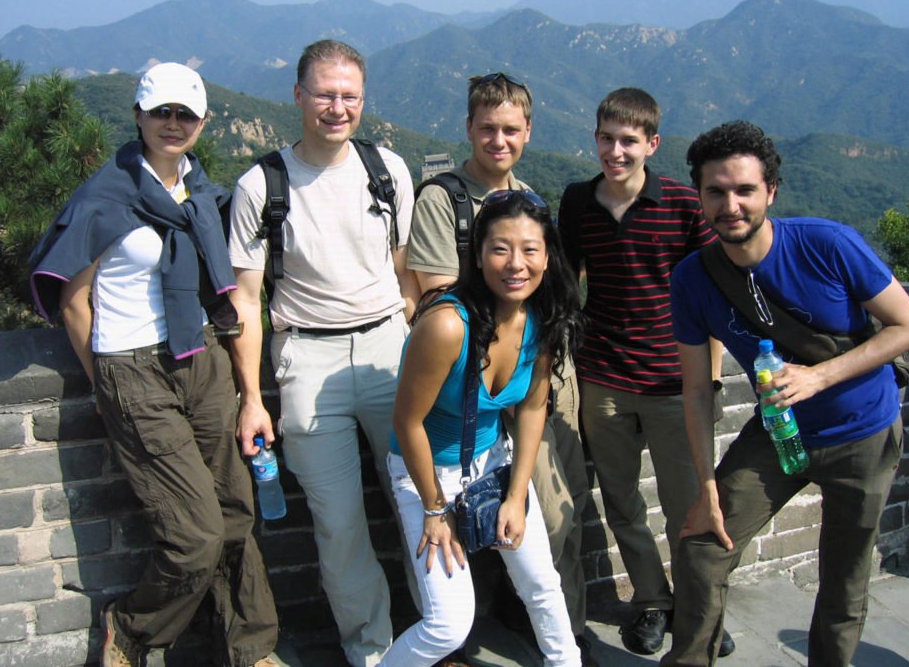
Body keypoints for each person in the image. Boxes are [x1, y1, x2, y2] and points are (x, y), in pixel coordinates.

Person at [29, 63, 279, 667]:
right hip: (133, 366)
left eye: (185, 114)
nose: (173, 123)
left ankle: (251, 648)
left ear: (201, 122)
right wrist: (109, 383)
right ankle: (134, 630)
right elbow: (73, 302)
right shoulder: (104, 197)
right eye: (161, 112)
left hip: (201, 360)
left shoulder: (199, 194)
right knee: (193, 535)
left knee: (236, 511)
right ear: (138, 115)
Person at [663, 121, 909, 666]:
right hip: (780, 434)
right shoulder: (693, 278)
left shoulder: (826, 244)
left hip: (863, 431)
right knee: (703, 547)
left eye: (744, 190)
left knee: (844, 577)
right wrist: (706, 486)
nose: (730, 205)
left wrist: (819, 376)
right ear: (699, 196)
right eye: (715, 191)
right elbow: (695, 388)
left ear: (771, 192)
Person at [227, 39, 418, 667]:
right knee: (339, 527)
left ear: (363, 100)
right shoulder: (263, 184)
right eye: (324, 94)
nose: (337, 108)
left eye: (349, 96)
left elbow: (402, 271)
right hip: (306, 358)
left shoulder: (388, 170)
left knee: (420, 503)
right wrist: (252, 397)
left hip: (389, 347)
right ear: (298, 96)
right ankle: (371, 652)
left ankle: (439, 639)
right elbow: (246, 302)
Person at [407, 73, 594, 665]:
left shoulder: (533, 199)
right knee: (445, 541)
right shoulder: (443, 198)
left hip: (528, 359)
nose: (498, 140)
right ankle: (453, 636)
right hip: (466, 372)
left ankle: (553, 626)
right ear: (468, 129)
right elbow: (442, 298)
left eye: (511, 129)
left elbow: (548, 285)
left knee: (554, 503)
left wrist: (536, 330)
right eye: (487, 128)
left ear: (528, 133)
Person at [557, 88, 732, 657]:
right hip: (602, 377)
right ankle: (652, 601)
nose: (616, 151)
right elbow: (565, 284)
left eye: (628, 141)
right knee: (622, 500)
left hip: (671, 382)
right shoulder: (577, 203)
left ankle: (700, 612)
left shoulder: (682, 204)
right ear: (596, 138)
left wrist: (711, 374)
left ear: (651, 144)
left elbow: (714, 288)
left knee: (689, 505)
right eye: (607, 138)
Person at [381, 189, 583, 667]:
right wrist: (435, 508)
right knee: (449, 623)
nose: (516, 264)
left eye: (530, 250)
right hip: (426, 472)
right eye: (500, 248)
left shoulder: (542, 318)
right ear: (478, 255)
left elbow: (533, 409)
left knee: (542, 587)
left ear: (548, 255)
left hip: (493, 463)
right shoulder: (448, 325)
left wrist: (516, 495)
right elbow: (407, 422)